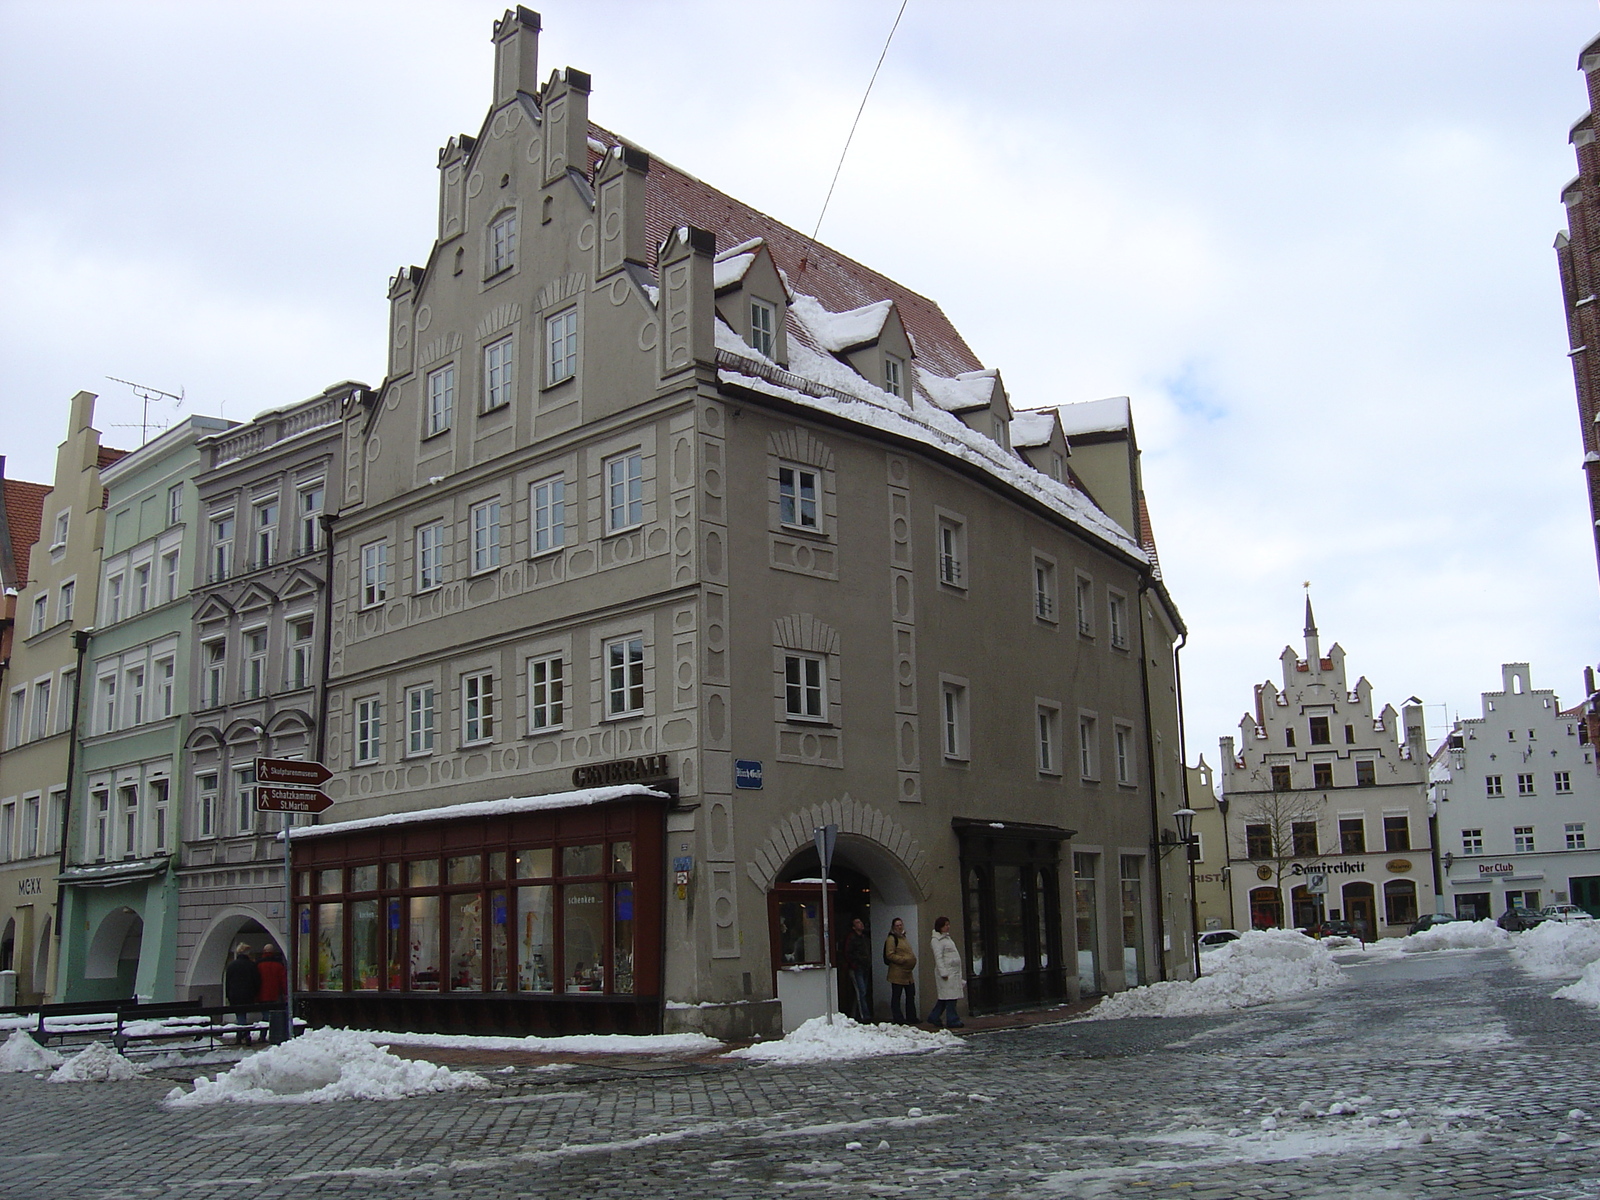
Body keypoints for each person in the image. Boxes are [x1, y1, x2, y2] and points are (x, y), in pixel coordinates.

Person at [926, 916, 965, 1028]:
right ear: (940, 927)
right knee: (950, 997)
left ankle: (934, 1016)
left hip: (953, 972)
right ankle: (952, 1019)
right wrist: (943, 972)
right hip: (947, 973)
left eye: (948, 924)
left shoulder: (947, 938)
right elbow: (938, 957)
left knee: (946, 997)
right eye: (945, 925)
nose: (948, 927)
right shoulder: (936, 940)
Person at [223, 942, 261, 1046]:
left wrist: (228, 995)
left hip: (235, 995)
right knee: (242, 1015)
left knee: (240, 1015)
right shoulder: (251, 965)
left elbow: (228, 982)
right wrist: (255, 993)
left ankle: (241, 1035)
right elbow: (256, 981)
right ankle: (244, 1034)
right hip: (248, 994)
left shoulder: (231, 966)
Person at [883, 917, 917, 1024]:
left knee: (910, 994)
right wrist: (903, 960)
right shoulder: (892, 939)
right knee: (897, 996)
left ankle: (911, 1017)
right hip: (897, 972)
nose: (899, 927)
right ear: (893, 927)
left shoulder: (903, 937)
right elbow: (889, 954)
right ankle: (898, 1018)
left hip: (908, 973)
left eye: (900, 925)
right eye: (897, 925)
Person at [842, 917, 871, 1022]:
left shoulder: (864, 938)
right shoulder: (852, 938)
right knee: (861, 991)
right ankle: (865, 1016)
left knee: (861, 992)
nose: (861, 924)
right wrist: (854, 965)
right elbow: (847, 953)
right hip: (857, 968)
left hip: (865, 967)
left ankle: (856, 1014)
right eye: (858, 923)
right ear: (854, 927)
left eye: (861, 922)